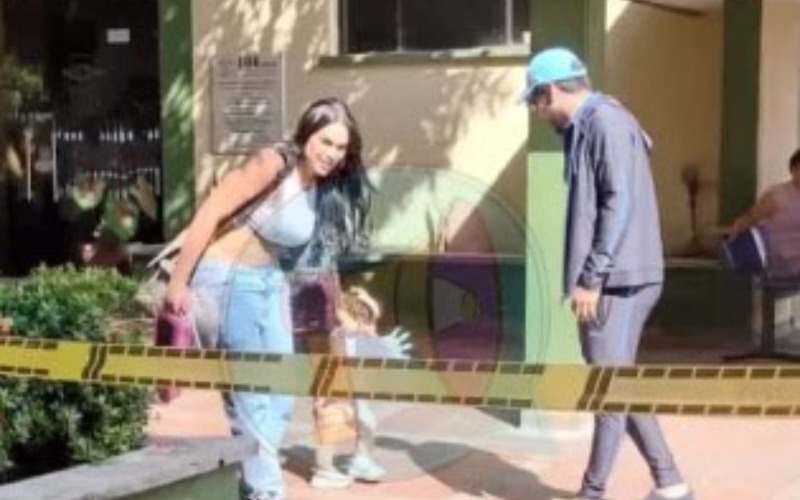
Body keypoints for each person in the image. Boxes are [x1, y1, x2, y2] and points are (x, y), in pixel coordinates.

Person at [164, 97, 372, 500]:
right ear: (307, 134)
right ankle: (267, 491)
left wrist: (339, 307)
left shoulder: (321, 187)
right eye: (325, 141)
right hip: (227, 278)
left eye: (340, 147)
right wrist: (178, 282)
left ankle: (252, 477)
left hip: (271, 281)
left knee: (280, 394)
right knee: (251, 396)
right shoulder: (273, 162)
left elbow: (315, 257)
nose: (331, 153)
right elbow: (210, 211)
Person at [521, 47, 693, 500]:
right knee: (619, 385)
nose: (536, 111)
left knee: (607, 393)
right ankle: (671, 483)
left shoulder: (606, 123)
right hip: (618, 277)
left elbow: (619, 203)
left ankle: (592, 492)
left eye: (535, 100)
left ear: (551, 91)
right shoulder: (589, 125)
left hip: (619, 281)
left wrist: (591, 278)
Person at [310, 286, 410, 489]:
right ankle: (323, 469)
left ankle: (361, 460)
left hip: (355, 391)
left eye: (342, 319)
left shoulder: (363, 333)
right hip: (335, 392)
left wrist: (367, 300)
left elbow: (373, 316)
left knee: (367, 423)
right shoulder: (340, 336)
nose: (339, 324)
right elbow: (334, 366)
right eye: (338, 319)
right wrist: (322, 396)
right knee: (331, 426)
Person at [729, 148, 800, 279]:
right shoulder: (777, 195)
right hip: (782, 259)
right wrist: (739, 225)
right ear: (793, 170)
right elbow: (750, 217)